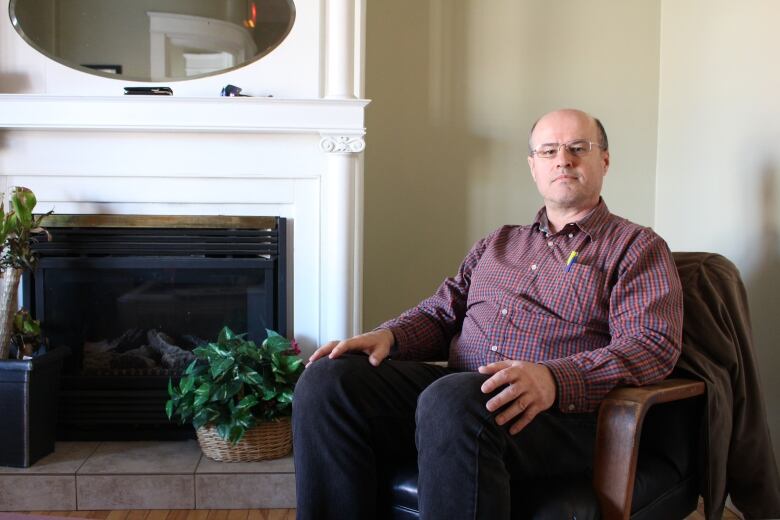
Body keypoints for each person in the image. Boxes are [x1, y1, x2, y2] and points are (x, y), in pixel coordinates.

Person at [292, 109, 683, 520]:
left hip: (556, 415)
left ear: (604, 160)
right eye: (549, 150)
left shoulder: (636, 247)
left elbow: (651, 345)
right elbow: (443, 311)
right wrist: (390, 336)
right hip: (460, 397)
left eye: (577, 148)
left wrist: (554, 378)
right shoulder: (499, 242)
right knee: (327, 379)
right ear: (534, 166)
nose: (563, 160)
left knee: (454, 397)